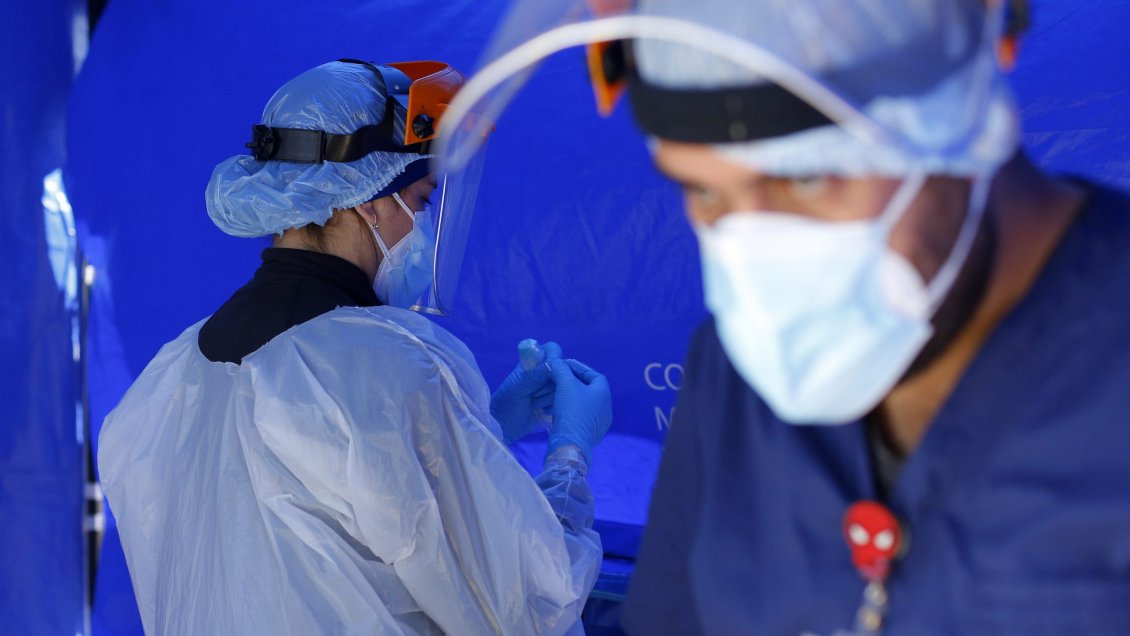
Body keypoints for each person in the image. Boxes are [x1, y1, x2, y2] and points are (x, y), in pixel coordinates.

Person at [437, 0, 1130, 633]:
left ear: (955, 120)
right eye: (705, 191)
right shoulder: (740, 368)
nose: (759, 254)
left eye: (806, 178)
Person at [97, 59, 614, 636]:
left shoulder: (170, 376)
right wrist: (570, 455)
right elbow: (526, 603)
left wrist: (479, 430)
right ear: (369, 197)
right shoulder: (393, 365)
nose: (423, 228)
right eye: (422, 201)